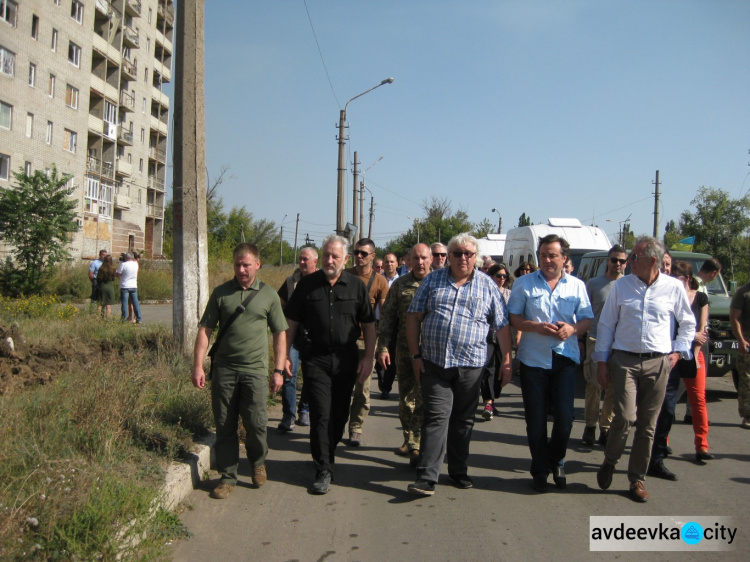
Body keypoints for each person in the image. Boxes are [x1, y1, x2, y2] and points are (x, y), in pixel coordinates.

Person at [406, 233, 512, 496]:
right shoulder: (432, 280)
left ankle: (457, 470)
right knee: (436, 417)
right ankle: (427, 477)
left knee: (463, 421)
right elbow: (413, 318)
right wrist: (416, 356)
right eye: (457, 253)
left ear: (475, 257)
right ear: (448, 256)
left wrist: (507, 361)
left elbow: (501, 326)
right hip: (434, 363)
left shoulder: (487, 286)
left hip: (471, 367)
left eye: (468, 253)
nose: (462, 258)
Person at [594, 237, 695, 503]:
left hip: (659, 362)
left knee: (648, 426)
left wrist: (677, 352)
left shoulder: (673, 287)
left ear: (652, 260)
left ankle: (636, 479)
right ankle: (610, 461)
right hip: (624, 360)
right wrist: (602, 362)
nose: (629, 262)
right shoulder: (622, 286)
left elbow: (688, 323)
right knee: (625, 417)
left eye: (634, 257)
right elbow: (606, 324)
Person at [192, 243, 288, 500]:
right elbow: (205, 331)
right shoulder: (221, 293)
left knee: (256, 424)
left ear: (257, 264)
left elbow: (280, 333)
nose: (242, 269)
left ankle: (258, 463)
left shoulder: (268, 295)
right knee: (225, 424)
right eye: (237, 265)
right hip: (224, 369)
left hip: (255, 370)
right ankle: (228, 476)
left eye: (247, 265)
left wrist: (278, 369)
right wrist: (198, 365)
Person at [283, 235, 376, 494]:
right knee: (321, 414)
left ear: (345, 259)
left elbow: (369, 324)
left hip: (346, 359)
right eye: (326, 255)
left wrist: (368, 357)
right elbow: (290, 322)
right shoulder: (307, 285)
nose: (329, 260)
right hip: (316, 358)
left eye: (335, 256)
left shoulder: (357, 286)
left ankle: (328, 452)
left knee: (338, 415)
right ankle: (323, 467)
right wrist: (284, 356)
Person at [508, 235, 593, 492]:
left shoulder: (577, 286)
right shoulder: (523, 284)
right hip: (534, 359)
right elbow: (514, 317)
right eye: (543, 254)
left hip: (564, 359)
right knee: (535, 420)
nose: (547, 260)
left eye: (553, 255)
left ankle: (557, 461)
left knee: (565, 419)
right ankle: (539, 470)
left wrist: (573, 328)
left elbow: (587, 319)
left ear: (564, 258)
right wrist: (534, 326)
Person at [648, 260, 711, 482]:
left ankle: (701, 445)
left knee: (697, 399)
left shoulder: (700, 298)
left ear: (687, 279)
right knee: (667, 404)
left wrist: (694, 346)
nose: (675, 281)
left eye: (680, 278)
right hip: (671, 354)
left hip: (692, 355)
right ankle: (661, 447)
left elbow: (699, 330)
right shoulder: (668, 296)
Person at [378, 243, 431, 467]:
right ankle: (410, 439)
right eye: (415, 258)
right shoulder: (400, 285)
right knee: (406, 399)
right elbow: (388, 318)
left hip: (431, 352)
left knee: (423, 398)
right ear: (408, 261)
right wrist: (383, 347)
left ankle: (417, 444)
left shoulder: (439, 283)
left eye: (424, 258)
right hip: (404, 350)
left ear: (431, 260)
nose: (420, 263)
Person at [581, 245, 627, 447]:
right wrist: (580, 341)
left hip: (619, 345)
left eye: (622, 261)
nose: (618, 264)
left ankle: (605, 428)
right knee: (594, 385)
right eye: (614, 260)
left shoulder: (628, 285)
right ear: (607, 261)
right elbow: (583, 314)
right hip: (595, 340)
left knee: (613, 389)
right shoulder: (593, 284)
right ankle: (590, 425)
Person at [346, 238, 388, 446]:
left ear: (373, 256)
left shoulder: (380, 282)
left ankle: (356, 427)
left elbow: (384, 316)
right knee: (340, 386)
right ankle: (336, 424)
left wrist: (381, 347)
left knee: (362, 389)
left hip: (365, 342)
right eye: (356, 252)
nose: (359, 256)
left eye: (364, 253)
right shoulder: (344, 276)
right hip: (343, 342)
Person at [276, 247, 318, 431]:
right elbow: (280, 306)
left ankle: (305, 410)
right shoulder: (290, 282)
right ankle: (288, 415)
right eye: (300, 259)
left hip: (313, 338)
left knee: (311, 376)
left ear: (315, 261)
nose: (302, 262)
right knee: (289, 374)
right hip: (292, 336)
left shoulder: (322, 281)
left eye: (306, 259)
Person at [480, 263, 513, 421]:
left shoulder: (509, 294)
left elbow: (514, 317)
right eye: (498, 276)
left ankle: (493, 398)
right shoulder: (484, 293)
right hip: (486, 336)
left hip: (503, 337)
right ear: (491, 277)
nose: (501, 279)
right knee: (488, 368)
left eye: (504, 276)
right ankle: (488, 401)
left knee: (501, 368)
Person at [376, 253, 400, 399]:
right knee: (378, 354)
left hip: (395, 323)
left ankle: (386, 387)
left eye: (392, 262)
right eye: (387, 262)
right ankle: (380, 372)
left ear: (397, 264)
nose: (389, 264)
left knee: (391, 353)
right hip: (377, 321)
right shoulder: (378, 280)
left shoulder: (401, 282)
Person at [729, 278, 750, 429]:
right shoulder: (743, 293)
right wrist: (741, 340)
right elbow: (734, 317)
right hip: (748, 339)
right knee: (747, 380)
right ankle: (748, 415)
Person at [116, 253, 142, 323]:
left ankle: (124, 319)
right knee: (135, 302)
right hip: (133, 285)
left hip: (125, 285)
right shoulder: (135, 264)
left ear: (126, 258)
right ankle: (139, 318)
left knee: (124, 303)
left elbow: (118, 273)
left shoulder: (123, 264)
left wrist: (116, 273)